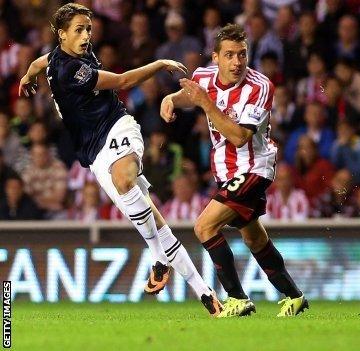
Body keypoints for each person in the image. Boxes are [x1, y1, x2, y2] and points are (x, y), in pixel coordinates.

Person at [18, 3, 221, 316]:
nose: (87, 34)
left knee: (125, 179)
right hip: (95, 153)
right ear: (62, 35)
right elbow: (124, 81)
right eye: (79, 30)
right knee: (154, 221)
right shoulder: (68, 68)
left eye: (88, 28)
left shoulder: (64, 56)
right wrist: (159, 64)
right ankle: (206, 295)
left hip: (118, 126)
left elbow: (38, 62)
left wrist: (27, 76)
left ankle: (157, 259)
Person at [161, 23, 308, 318]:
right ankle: (294, 296)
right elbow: (188, 96)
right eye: (229, 55)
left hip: (255, 167)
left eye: (242, 54)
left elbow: (240, 136)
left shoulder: (260, 86)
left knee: (204, 227)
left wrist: (205, 102)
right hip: (227, 172)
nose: (237, 62)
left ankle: (237, 298)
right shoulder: (203, 77)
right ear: (215, 57)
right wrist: (170, 99)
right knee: (254, 237)